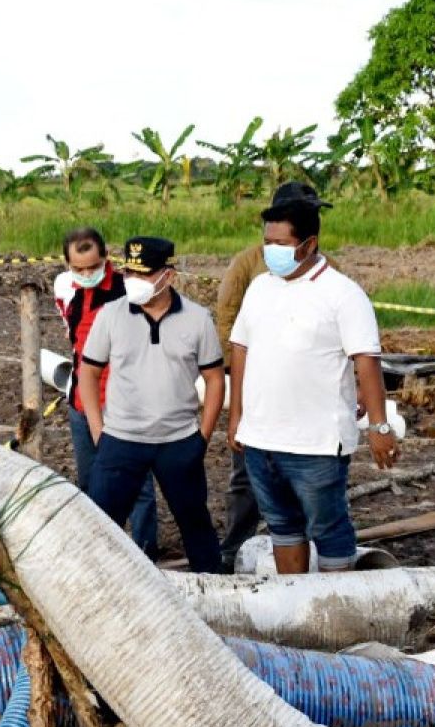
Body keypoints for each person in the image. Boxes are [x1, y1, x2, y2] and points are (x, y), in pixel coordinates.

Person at [227, 182, 398, 574]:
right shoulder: (259, 287)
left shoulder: (342, 294)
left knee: (329, 529)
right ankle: (298, 605)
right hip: (260, 439)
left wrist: (379, 425)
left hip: (316, 444)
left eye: (280, 243)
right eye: (266, 241)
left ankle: (337, 610)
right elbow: (240, 349)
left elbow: (367, 362)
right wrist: (236, 416)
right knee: (283, 528)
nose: (271, 250)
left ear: (309, 244)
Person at [79, 236, 225, 573]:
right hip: (121, 440)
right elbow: (88, 373)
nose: (134, 281)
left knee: (196, 527)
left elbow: (215, 379)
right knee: (98, 527)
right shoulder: (111, 315)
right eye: (129, 272)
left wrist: (202, 437)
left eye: (144, 275)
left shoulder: (197, 319)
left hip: (178, 442)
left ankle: (213, 594)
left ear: (168, 276)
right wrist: (99, 432)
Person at [215, 235, 343, 573]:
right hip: (259, 404)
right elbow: (228, 321)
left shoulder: (331, 278)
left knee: (314, 495)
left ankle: (316, 558)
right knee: (245, 482)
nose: (276, 246)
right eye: (270, 236)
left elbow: (342, 340)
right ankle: (234, 549)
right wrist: (244, 383)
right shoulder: (248, 267)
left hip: (306, 409)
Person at [53, 227, 160, 559]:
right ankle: (98, 553)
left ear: (106, 259)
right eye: (78, 269)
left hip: (123, 405)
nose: (86, 275)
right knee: (89, 481)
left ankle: (145, 555)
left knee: (137, 486)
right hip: (81, 404)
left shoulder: (129, 292)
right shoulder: (64, 289)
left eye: (93, 267)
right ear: (67, 265)